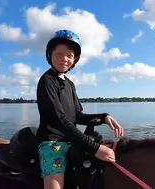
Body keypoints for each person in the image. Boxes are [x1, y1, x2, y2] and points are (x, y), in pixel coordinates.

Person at [36, 29, 124, 189]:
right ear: (50, 55)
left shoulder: (70, 84)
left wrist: (104, 117)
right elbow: (59, 119)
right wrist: (95, 147)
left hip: (71, 140)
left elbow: (77, 116)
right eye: (59, 54)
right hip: (52, 142)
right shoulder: (46, 81)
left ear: (74, 59)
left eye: (69, 56)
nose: (64, 59)